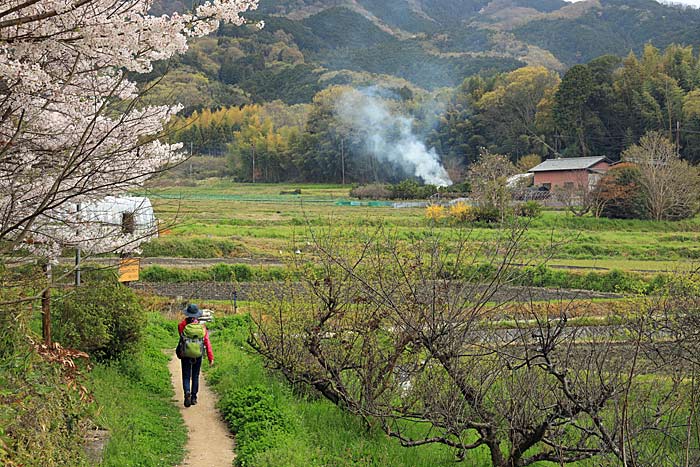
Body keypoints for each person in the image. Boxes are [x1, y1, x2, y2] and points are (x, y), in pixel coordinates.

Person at [178, 304, 214, 407]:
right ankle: (194, 398)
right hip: (198, 354)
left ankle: (187, 393)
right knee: (195, 375)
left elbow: (181, 338)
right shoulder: (202, 327)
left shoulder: (182, 325)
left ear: (187, 314)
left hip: (185, 354)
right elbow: (206, 342)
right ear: (197, 315)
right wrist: (210, 357)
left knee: (186, 375)